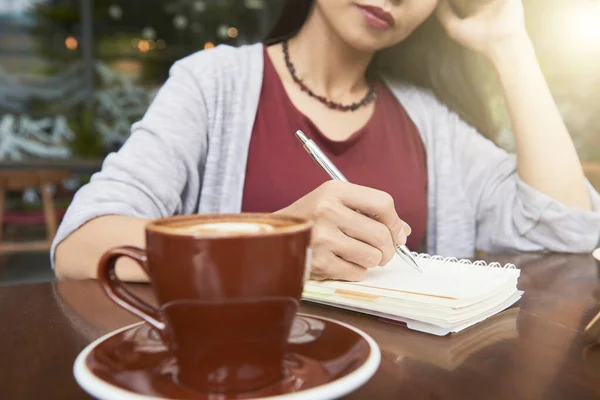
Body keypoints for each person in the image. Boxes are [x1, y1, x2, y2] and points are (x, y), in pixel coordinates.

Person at [53, 0, 600, 282]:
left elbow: (569, 229)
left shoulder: (431, 122)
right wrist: (276, 245)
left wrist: (510, 44)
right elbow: (83, 242)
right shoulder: (212, 85)